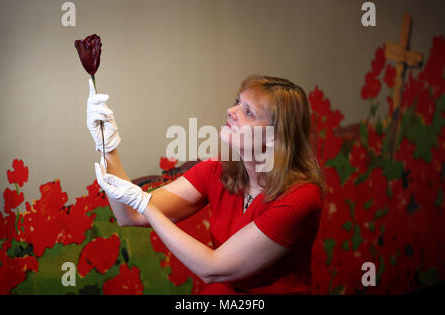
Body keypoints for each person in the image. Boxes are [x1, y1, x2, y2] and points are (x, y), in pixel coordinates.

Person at [87, 74, 326, 294]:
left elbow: (213, 268)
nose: (231, 111)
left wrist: (145, 204)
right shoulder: (218, 170)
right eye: (236, 102)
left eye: (248, 112)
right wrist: (107, 146)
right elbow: (128, 215)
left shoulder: (302, 197)